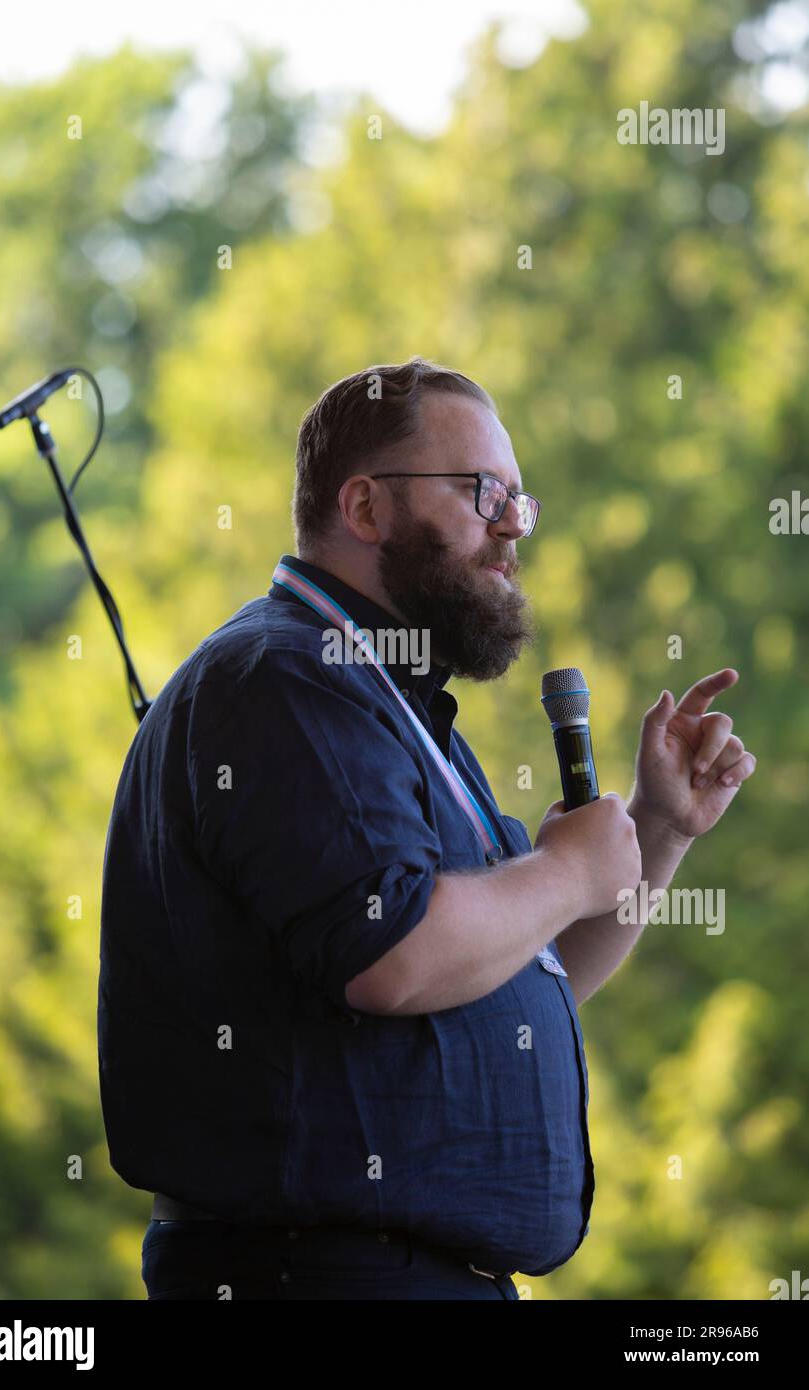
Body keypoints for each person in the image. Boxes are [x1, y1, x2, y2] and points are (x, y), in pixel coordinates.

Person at [98, 356, 756, 1300]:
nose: (511, 530)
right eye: (484, 492)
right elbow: (393, 954)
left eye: (520, 503)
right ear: (364, 509)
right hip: (316, 1278)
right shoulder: (285, 679)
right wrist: (564, 871)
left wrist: (658, 828)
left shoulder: (386, 699)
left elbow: (527, 973)